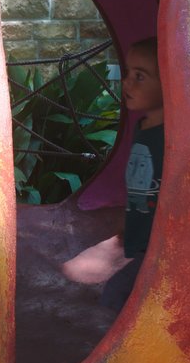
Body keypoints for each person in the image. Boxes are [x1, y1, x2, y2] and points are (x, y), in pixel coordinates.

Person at [62, 37, 164, 312]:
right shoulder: (143, 126)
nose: (127, 83)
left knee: (115, 300)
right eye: (128, 73)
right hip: (138, 241)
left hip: (159, 248)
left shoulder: (172, 138)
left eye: (140, 76)